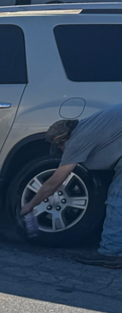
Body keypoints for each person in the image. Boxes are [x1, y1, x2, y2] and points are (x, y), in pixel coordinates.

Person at [21, 105, 122, 268]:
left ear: (63, 139)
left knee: (117, 199)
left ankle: (111, 254)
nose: (62, 151)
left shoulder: (77, 140)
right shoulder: (89, 126)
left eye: (60, 147)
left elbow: (55, 182)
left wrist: (30, 205)